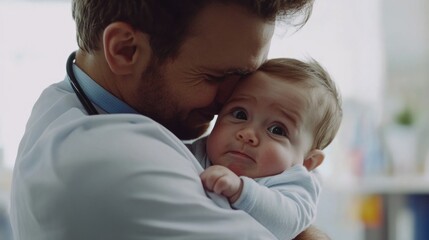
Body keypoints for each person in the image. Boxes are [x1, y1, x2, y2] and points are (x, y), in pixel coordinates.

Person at [9, 1, 330, 239]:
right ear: (125, 50)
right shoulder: (113, 166)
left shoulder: (61, 101)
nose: (229, 102)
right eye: (217, 76)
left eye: (246, 77)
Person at [189, 58, 342, 240]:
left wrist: (241, 191)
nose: (247, 134)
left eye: (277, 130)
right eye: (240, 114)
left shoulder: (293, 183)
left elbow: (287, 224)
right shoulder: (198, 151)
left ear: (307, 162)